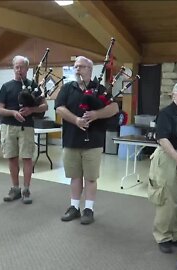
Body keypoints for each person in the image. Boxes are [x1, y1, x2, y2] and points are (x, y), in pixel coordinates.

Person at [55, 56, 119, 224]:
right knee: (75, 176)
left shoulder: (100, 89)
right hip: (71, 139)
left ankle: (88, 209)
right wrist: (76, 120)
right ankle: (74, 207)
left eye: (81, 67)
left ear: (90, 70)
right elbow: (59, 108)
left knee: (90, 177)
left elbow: (114, 108)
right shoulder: (68, 88)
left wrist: (97, 114)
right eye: (75, 66)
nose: (77, 69)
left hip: (93, 140)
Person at [148, 80, 177, 253]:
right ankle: (163, 236)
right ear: (174, 95)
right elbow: (162, 139)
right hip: (169, 156)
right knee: (168, 197)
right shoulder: (166, 114)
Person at [0, 55, 48, 204]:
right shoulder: (6, 87)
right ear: (13, 68)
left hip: (27, 127)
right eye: (16, 67)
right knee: (11, 157)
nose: (19, 70)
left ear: (27, 68)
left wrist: (32, 110)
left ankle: (26, 189)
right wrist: (13, 113)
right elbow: (0, 109)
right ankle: (15, 188)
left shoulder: (34, 86)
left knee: (27, 157)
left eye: (22, 67)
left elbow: (45, 106)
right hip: (8, 126)